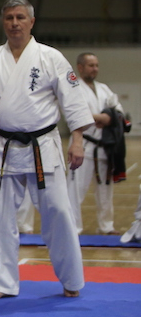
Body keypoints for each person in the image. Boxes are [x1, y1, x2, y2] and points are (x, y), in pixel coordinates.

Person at [0, 0, 94, 299]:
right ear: (3, 22)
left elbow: (74, 102)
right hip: (3, 148)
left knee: (59, 213)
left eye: (20, 17)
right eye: (9, 18)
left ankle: (71, 279)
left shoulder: (51, 58)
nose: (14, 23)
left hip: (43, 146)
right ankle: (0, 283)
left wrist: (77, 140)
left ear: (31, 22)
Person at [66, 53, 123, 235]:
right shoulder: (73, 87)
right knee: (75, 190)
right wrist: (103, 117)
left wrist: (105, 117)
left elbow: (118, 113)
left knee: (105, 189)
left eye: (96, 65)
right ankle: (73, 227)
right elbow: (75, 113)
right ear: (80, 67)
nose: (95, 69)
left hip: (104, 147)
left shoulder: (104, 89)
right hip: (82, 144)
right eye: (91, 65)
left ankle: (106, 226)